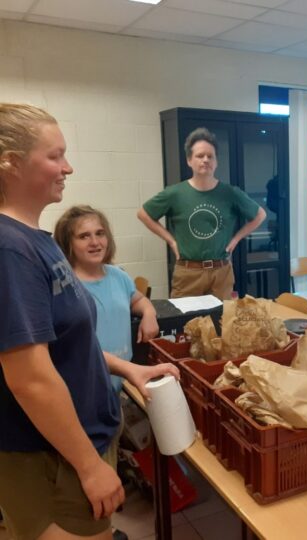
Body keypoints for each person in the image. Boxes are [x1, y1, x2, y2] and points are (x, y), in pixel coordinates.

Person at [0, 103, 177, 540]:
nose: (68, 167)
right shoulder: (10, 250)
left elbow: (63, 344)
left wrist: (128, 367)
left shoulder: (35, 240)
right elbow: (31, 379)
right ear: (11, 164)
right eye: (55, 156)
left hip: (78, 445)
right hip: (53, 460)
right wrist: (87, 464)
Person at [137, 127, 267, 300]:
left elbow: (260, 215)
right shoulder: (175, 193)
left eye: (210, 156)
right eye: (199, 156)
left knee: (220, 323)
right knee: (184, 323)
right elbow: (143, 214)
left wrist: (235, 239)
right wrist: (171, 241)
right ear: (189, 160)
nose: (205, 160)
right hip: (188, 272)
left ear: (216, 161)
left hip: (221, 272)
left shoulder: (230, 193)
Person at [54, 205, 160, 393]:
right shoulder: (65, 286)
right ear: (67, 243)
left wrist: (149, 313)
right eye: (84, 236)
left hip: (123, 379)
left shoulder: (118, 275)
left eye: (100, 233)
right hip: (87, 385)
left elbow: (136, 300)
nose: (95, 242)